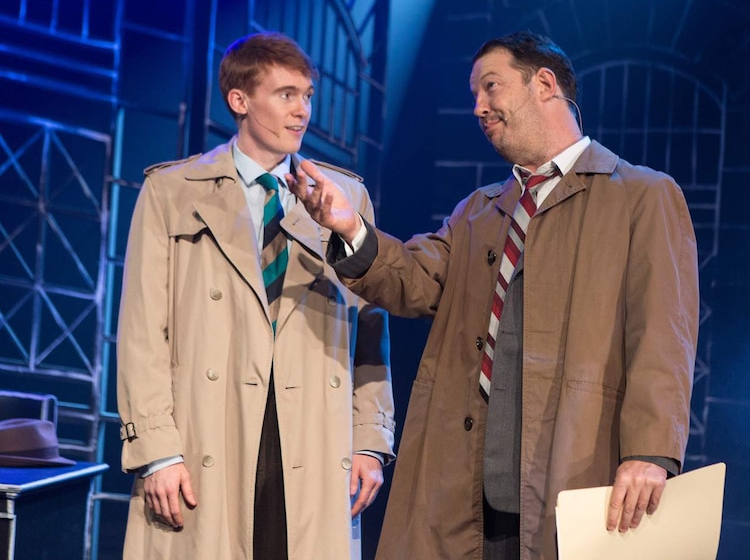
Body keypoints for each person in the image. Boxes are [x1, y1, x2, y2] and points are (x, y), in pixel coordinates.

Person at [289, 31, 699, 559]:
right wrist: (349, 227)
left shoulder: (641, 195)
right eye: (473, 96)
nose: (479, 108)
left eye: (490, 87)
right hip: (469, 491)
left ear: (544, 84)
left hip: (571, 473)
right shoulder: (479, 211)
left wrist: (650, 452)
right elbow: (412, 277)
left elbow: (664, 335)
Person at [116, 32, 395, 560]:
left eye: (308, 95)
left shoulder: (342, 197)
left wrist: (369, 442)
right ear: (239, 100)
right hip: (207, 431)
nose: (302, 111)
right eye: (286, 94)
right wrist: (156, 453)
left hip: (313, 430)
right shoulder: (173, 191)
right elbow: (142, 332)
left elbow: (371, 328)